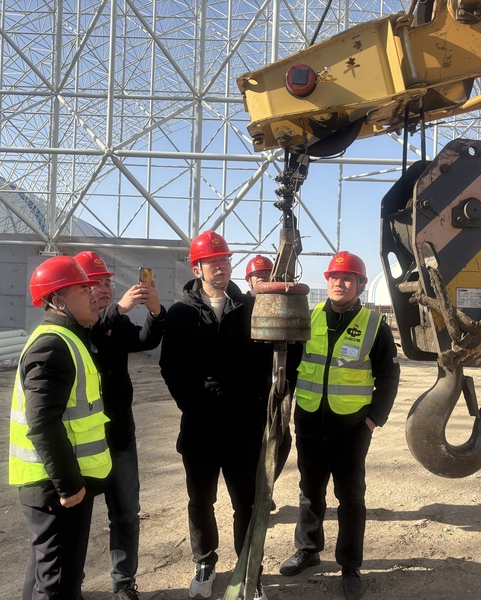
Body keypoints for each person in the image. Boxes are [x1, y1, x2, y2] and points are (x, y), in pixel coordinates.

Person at [278, 251, 400, 600]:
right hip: (309, 420)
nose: (339, 283)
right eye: (334, 277)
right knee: (309, 489)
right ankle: (308, 550)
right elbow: (290, 366)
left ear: (360, 285)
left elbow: (389, 375)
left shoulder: (375, 325)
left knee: (350, 497)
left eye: (348, 278)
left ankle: (349, 565)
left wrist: (373, 420)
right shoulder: (309, 317)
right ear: (327, 281)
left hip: (352, 427)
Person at [159, 230, 270, 600]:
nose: (221, 266)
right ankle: (205, 561)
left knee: (247, 503)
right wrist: (192, 403)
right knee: (201, 501)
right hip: (200, 427)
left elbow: (266, 362)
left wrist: (255, 403)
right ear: (197, 268)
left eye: (225, 260)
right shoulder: (181, 314)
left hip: (244, 426)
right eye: (212, 261)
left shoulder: (250, 308)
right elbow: (170, 367)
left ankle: (249, 569)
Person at [9, 255, 112, 600]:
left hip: (56, 484)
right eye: (84, 289)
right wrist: (69, 486)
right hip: (57, 487)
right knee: (58, 585)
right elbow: (42, 423)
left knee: (44, 576)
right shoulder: (54, 345)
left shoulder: (67, 338)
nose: (94, 294)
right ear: (57, 300)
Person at [73, 251, 166, 600]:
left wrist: (155, 311)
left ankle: (124, 581)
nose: (104, 289)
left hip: (119, 435)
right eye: (95, 284)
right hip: (82, 441)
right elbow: (94, 336)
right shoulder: (73, 327)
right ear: (77, 289)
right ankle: (71, 583)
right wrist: (120, 309)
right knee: (77, 517)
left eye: (107, 283)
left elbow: (144, 341)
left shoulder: (113, 321)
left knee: (126, 512)